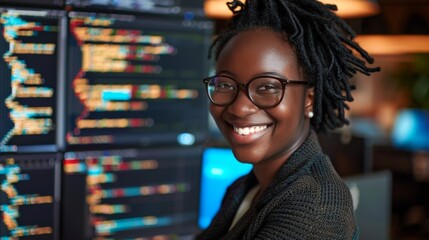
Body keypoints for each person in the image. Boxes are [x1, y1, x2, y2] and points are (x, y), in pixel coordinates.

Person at [196, 0, 380, 239]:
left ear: (309, 99)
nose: (240, 107)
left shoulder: (314, 209)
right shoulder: (244, 187)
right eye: (225, 85)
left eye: (267, 87)